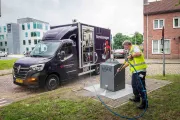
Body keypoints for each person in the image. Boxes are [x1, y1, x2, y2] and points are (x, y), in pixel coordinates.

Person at [117, 40, 148, 109]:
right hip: (135, 72)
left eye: (124, 46)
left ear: (128, 44)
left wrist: (131, 56)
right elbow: (128, 63)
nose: (124, 47)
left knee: (141, 86)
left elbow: (139, 53)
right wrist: (121, 68)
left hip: (140, 71)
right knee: (134, 85)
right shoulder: (130, 52)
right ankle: (137, 98)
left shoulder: (135, 47)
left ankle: (144, 103)